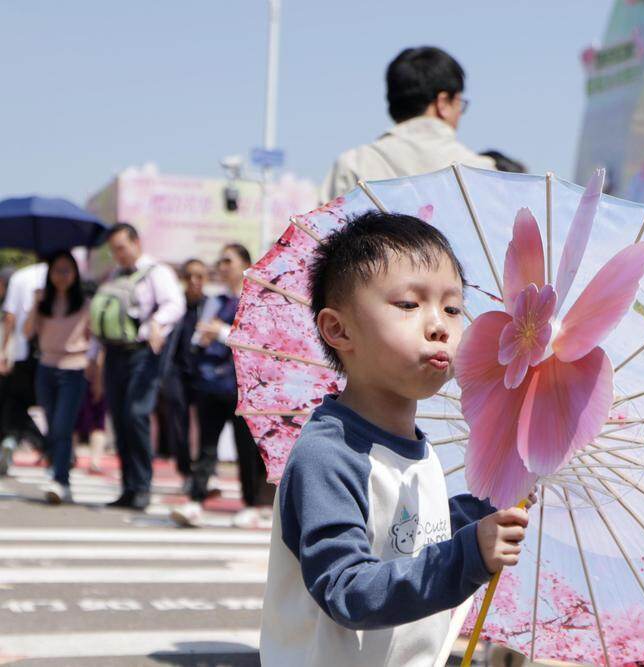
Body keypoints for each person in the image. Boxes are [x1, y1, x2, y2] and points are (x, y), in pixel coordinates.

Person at [260, 211, 533, 666]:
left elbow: (412, 537)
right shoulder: (328, 454)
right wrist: (469, 554)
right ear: (338, 329)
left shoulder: (419, 447)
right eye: (409, 304)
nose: (439, 325)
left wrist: (491, 506)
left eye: (452, 308)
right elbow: (347, 589)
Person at [87, 223, 184, 510]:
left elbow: (174, 304)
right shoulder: (115, 275)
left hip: (143, 353)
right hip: (115, 352)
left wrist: (156, 323)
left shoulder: (157, 272)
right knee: (119, 418)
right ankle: (128, 487)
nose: (118, 254)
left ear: (136, 243)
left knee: (136, 414)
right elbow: (103, 318)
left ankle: (142, 486)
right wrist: (93, 356)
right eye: (114, 250)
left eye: (122, 247)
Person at [171, 245, 269, 528]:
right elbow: (197, 340)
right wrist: (204, 338)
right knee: (206, 447)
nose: (222, 266)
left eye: (228, 261)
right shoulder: (214, 301)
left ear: (245, 264)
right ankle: (195, 500)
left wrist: (222, 332)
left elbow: (258, 342)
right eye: (220, 261)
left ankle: (250, 504)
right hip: (211, 384)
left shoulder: (258, 299)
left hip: (243, 387)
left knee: (246, 449)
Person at [322, 46, 494, 201]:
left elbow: (322, 225)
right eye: (459, 103)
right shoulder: (477, 170)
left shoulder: (353, 164)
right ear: (443, 103)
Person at [22, 251, 90, 504]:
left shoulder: (84, 303)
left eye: (66, 270)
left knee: (63, 426)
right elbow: (27, 332)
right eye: (56, 271)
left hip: (74, 368)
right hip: (46, 367)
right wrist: (35, 305)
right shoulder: (44, 303)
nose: (61, 276)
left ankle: (61, 479)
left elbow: (94, 339)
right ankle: (58, 468)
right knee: (52, 425)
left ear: (75, 274)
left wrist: (96, 371)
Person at [157, 258, 208, 480]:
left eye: (199, 276)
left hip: (203, 371)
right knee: (179, 420)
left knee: (206, 422)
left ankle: (204, 469)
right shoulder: (176, 305)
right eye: (189, 276)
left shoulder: (211, 305)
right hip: (176, 370)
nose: (194, 281)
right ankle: (185, 469)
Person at [0, 261, 47, 474]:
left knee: (14, 405)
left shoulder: (20, 279)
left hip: (23, 355)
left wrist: (3, 351)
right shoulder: (50, 273)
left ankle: (42, 444)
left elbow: (10, 317)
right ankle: (14, 440)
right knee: (18, 405)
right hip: (49, 354)